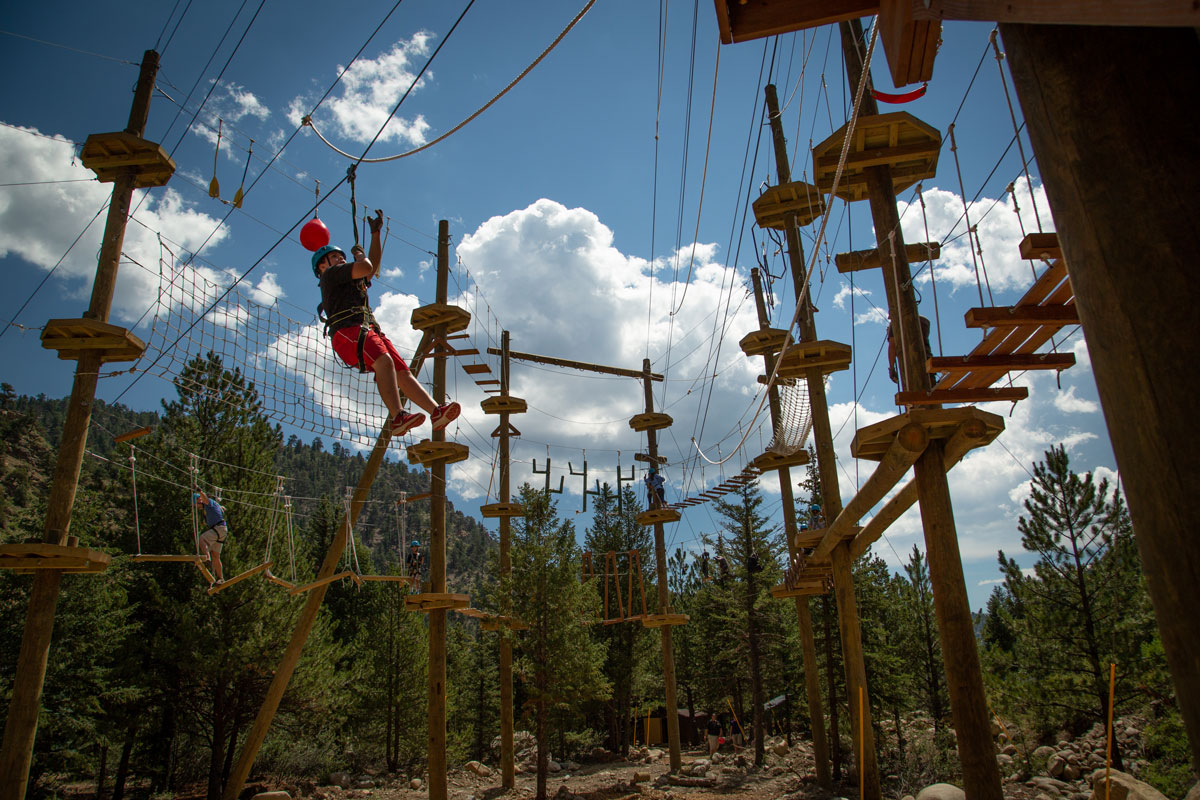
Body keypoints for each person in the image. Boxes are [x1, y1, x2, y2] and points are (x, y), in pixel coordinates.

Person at [313, 209, 460, 437]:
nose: (340, 259)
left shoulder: (348, 281)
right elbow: (366, 267)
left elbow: (372, 269)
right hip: (349, 331)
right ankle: (398, 417)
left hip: (363, 330)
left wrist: (375, 236)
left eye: (341, 257)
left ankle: (435, 412)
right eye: (334, 257)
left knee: (401, 371)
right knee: (384, 362)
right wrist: (360, 256)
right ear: (322, 266)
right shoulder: (329, 276)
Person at [887, 314, 935, 385]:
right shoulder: (924, 321)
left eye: (890, 314)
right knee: (930, 387)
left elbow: (892, 347)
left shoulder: (896, 323)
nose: (888, 317)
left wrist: (891, 369)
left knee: (913, 389)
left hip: (910, 365)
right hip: (927, 361)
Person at [194, 491, 228, 585]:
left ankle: (207, 559)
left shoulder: (208, 502)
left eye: (196, 504)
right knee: (215, 556)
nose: (197, 507)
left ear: (199, 500)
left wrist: (198, 490)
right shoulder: (210, 505)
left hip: (218, 528)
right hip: (221, 530)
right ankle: (221, 578)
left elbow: (204, 497)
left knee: (201, 539)